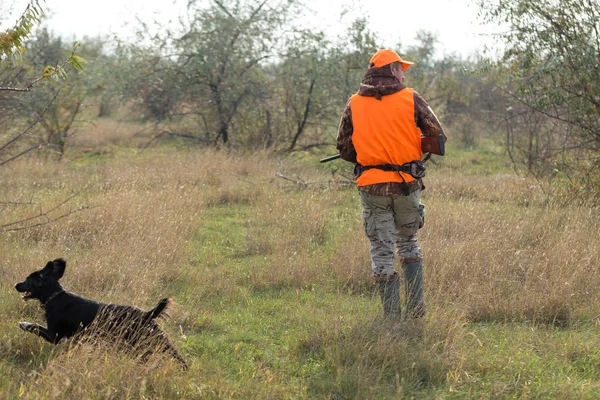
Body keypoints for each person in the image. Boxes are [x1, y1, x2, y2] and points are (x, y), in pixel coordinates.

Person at [336, 49, 446, 319]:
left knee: (381, 250)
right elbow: (437, 136)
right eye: (401, 67)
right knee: (408, 242)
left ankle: (391, 319)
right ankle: (416, 311)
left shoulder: (353, 103)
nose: (403, 72)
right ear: (391, 69)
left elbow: (343, 148)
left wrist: (369, 156)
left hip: (371, 187)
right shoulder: (411, 98)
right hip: (406, 184)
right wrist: (409, 147)